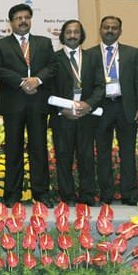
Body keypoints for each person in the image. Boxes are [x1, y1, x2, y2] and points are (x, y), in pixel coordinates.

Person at [0, 3, 57, 208]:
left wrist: (37, 80)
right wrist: (21, 82)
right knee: (13, 149)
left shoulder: (44, 43)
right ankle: (12, 194)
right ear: (11, 22)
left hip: (38, 102)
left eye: (26, 17)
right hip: (14, 104)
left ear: (30, 19)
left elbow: (53, 66)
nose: (23, 21)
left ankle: (41, 193)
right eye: (18, 18)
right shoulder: (0, 45)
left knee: (39, 149)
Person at [86, 16, 138, 205]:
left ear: (120, 31)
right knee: (103, 152)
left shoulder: (132, 53)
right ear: (100, 29)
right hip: (101, 107)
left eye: (114, 28)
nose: (110, 31)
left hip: (126, 107)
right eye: (106, 27)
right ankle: (106, 194)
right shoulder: (90, 54)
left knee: (128, 152)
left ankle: (129, 194)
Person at [49, 20, 104, 207]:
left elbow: (100, 86)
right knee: (63, 157)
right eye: (69, 32)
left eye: (76, 32)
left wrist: (88, 105)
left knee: (86, 156)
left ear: (82, 35)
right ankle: (67, 196)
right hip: (62, 117)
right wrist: (62, 109)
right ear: (63, 35)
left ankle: (87, 195)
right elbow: (47, 88)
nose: (72, 35)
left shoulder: (93, 58)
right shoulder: (53, 58)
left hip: (86, 115)